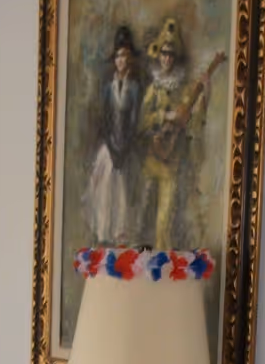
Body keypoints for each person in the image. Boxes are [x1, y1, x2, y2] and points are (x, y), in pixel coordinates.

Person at [136, 18, 223, 252]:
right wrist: (166, 116)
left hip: (172, 162)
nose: (166, 58)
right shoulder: (153, 89)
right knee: (142, 213)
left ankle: (161, 265)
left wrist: (205, 95)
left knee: (166, 220)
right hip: (152, 158)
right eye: (163, 54)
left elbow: (195, 122)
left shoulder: (184, 89)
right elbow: (142, 121)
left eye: (170, 55)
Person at [83, 25, 141, 247]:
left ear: (130, 60)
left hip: (126, 148)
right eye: (118, 56)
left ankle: (121, 236)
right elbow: (105, 120)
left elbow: (134, 122)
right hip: (110, 146)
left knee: (123, 192)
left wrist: (123, 150)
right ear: (114, 60)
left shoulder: (134, 88)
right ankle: (104, 234)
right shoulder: (107, 88)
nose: (121, 61)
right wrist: (112, 147)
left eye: (125, 56)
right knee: (105, 187)